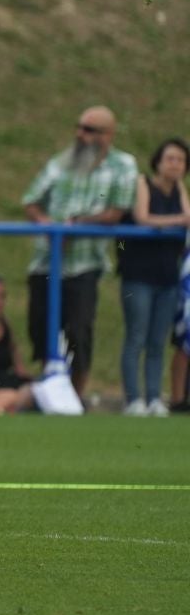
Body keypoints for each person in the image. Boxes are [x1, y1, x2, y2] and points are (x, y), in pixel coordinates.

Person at [21, 106, 138, 394]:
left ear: (108, 135)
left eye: (88, 130)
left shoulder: (122, 166)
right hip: (46, 261)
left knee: (79, 330)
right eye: (79, 127)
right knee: (41, 326)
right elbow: (31, 201)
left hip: (85, 264)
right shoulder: (61, 162)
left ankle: (75, 394)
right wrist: (47, 224)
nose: (79, 134)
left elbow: (116, 211)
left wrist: (76, 225)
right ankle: (50, 389)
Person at [119, 138, 188, 415]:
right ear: (158, 162)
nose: (175, 165)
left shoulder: (179, 189)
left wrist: (180, 216)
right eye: (170, 158)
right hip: (139, 275)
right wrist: (177, 222)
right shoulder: (143, 183)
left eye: (181, 160)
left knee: (158, 341)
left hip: (167, 276)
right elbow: (143, 217)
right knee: (136, 336)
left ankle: (154, 397)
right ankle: (133, 399)